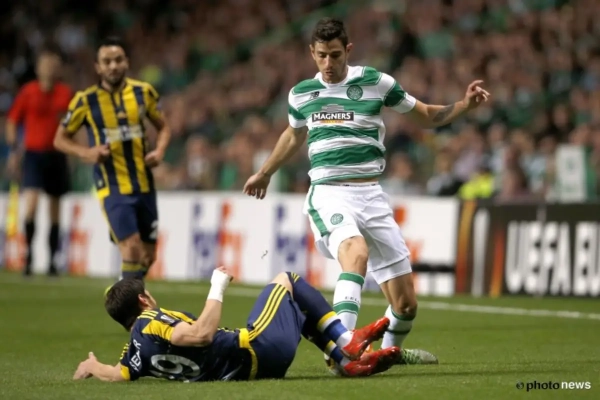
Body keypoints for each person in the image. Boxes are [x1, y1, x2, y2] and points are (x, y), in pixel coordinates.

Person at [243, 18, 490, 366]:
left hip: (371, 195)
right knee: (355, 252)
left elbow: (425, 115)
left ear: (348, 50)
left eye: (334, 55)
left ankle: (388, 353)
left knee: (406, 305)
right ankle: (342, 354)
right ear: (311, 53)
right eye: (321, 56)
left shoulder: (375, 82)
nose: (328, 64)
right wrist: (265, 172)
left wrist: (464, 105)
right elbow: (293, 134)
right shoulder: (301, 94)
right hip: (328, 192)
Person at [73, 268, 401, 382]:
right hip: (257, 347)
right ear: (144, 300)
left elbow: (117, 374)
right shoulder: (151, 320)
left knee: (295, 308)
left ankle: (346, 361)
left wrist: (91, 365)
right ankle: (344, 341)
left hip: (253, 371)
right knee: (287, 280)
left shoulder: (135, 351)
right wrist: (217, 286)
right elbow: (200, 335)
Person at [53, 37, 171, 283]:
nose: (113, 66)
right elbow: (60, 139)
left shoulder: (143, 93)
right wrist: (87, 153)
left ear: (126, 62)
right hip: (112, 186)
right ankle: (128, 303)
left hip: (144, 184)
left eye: (118, 60)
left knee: (147, 256)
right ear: (98, 67)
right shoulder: (86, 100)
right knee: (131, 246)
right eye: (107, 62)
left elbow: (164, 127)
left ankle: (124, 290)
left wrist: (159, 151)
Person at [5, 45, 73, 276]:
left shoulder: (65, 93)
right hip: (33, 155)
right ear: (38, 68)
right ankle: (28, 256)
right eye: (46, 64)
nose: (50, 69)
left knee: (55, 209)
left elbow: (73, 123)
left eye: (54, 65)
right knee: (31, 205)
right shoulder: (28, 92)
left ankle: (53, 261)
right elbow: (13, 120)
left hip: (57, 155)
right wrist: (14, 148)